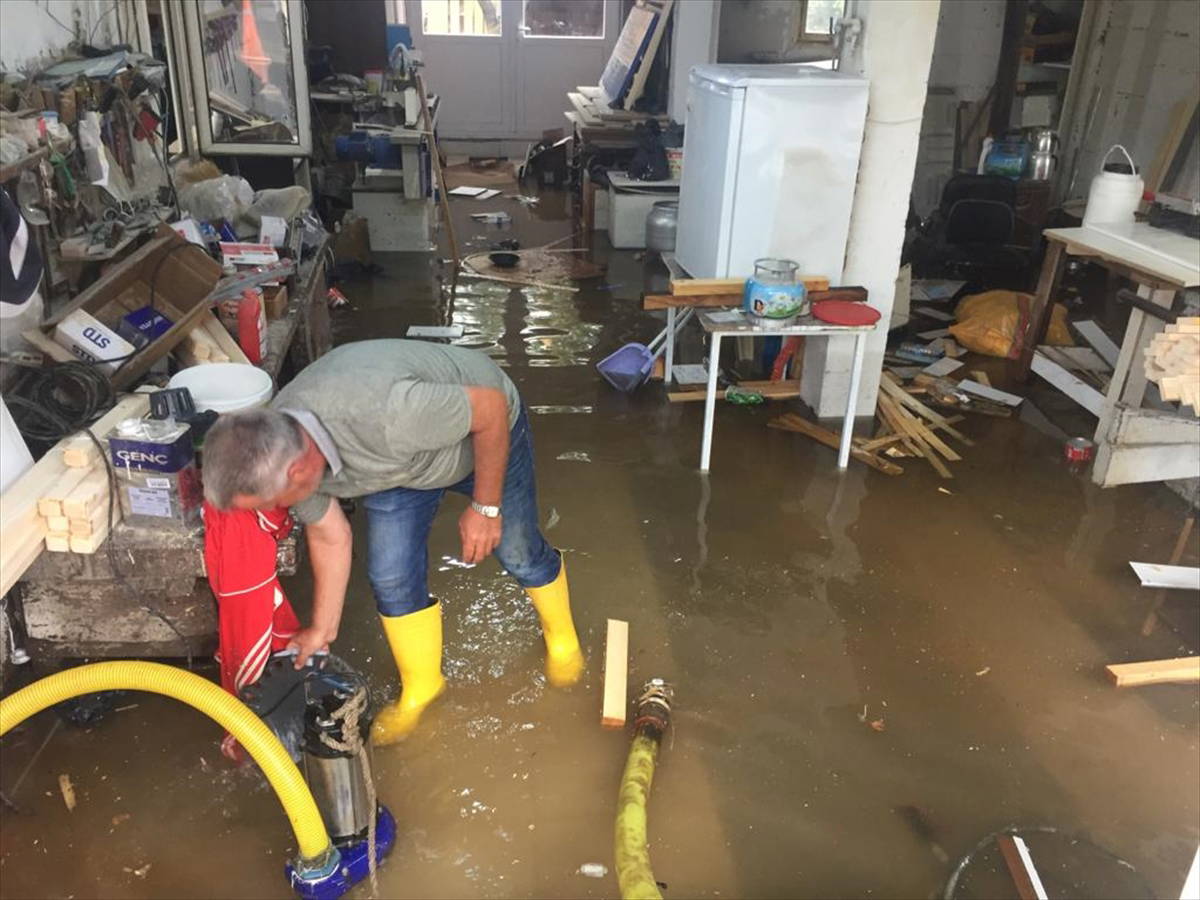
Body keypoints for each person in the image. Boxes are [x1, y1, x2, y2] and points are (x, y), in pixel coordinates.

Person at [201, 340, 583, 744]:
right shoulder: (285, 453)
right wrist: (321, 631)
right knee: (390, 575)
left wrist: (486, 508)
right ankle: (424, 686)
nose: (275, 510)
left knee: (519, 551)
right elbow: (330, 535)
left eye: (270, 503)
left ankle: (562, 638)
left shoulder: (387, 415)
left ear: (296, 473)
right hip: (399, 468)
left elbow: (490, 408)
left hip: (484, 434)